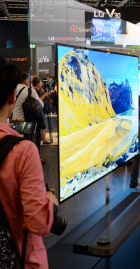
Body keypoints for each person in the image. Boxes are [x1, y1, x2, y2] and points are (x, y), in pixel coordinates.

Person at [0, 58, 58, 268]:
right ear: (11, 96)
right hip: (20, 258)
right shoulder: (23, 150)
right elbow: (37, 222)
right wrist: (50, 200)